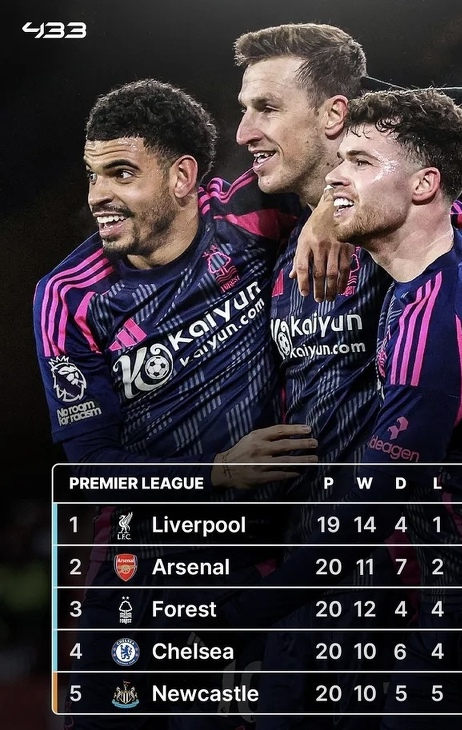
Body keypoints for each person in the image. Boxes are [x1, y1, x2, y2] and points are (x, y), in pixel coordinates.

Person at [231, 22, 462, 728]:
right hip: (324, 566)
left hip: (418, 565)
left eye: (267, 108)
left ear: (334, 113)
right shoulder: (265, 234)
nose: (244, 132)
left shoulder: (424, 246)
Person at [33, 78, 343, 730]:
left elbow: (382, 122)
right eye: (93, 175)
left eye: (121, 173)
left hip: (265, 559)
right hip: (137, 570)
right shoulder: (68, 296)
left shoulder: (252, 215)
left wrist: (328, 206)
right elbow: (89, 469)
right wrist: (218, 471)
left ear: (182, 177)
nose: (97, 196)